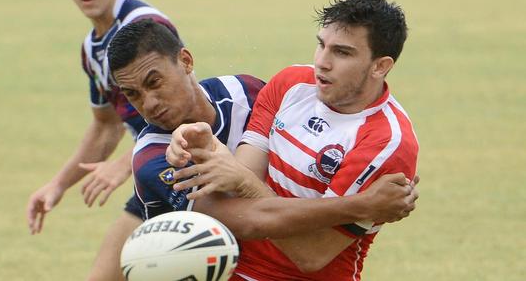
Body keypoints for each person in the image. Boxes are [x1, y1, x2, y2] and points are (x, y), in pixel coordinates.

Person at [108, 18, 418, 279]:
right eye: (132, 94)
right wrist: (363, 204)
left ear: (186, 61)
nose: (147, 104)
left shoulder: (248, 91)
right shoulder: (153, 159)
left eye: (154, 83)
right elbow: (250, 220)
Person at [24, 0, 178, 281]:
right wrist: (58, 185)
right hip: (155, 176)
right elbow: (106, 125)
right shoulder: (92, 48)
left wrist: (125, 164)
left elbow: (183, 115)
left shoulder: (147, 27)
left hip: (191, 174)